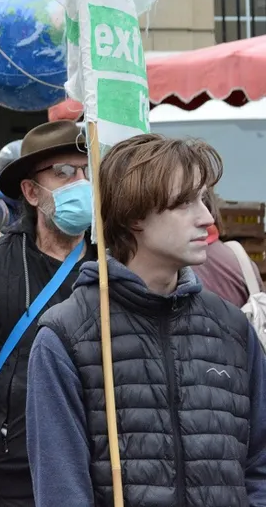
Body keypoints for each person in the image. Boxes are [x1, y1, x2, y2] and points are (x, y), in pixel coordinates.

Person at [27, 134, 266, 505]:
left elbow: (259, 464)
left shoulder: (231, 327)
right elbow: (62, 491)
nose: (207, 218)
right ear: (134, 214)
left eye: (204, 200)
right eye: (185, 203)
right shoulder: (65, 336)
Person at [0, 120, 96, 507]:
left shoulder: (113, 263)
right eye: (64, 172)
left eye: (86, 172)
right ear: (32, 192)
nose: (81, 183)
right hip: (17, 473)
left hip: (101, 466)